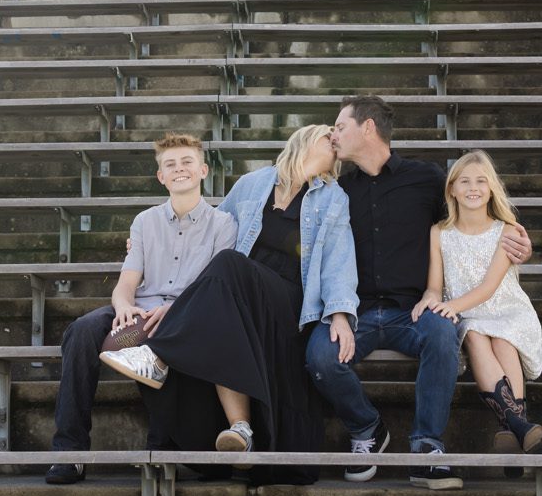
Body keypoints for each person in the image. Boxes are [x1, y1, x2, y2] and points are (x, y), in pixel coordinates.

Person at [306, 94, 531, 488]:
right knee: (319, 356)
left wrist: (514, 244)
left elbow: (468, 224)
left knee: (444, 333)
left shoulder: (425, 179)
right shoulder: (338, 191)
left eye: (340, 126)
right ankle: (368, 430)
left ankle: (427, 447)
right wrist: (337, 311)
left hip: (412, 310)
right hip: (354, 313)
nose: (333, 134)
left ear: (368, 128)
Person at [101, 123, 358, 457]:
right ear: (306, 142)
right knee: (227, 266)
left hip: (290, 301)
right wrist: (141, 245)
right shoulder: (254, 184)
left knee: (229, 263)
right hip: (243, 294)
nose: (336, 144)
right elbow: (212, 226)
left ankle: (158, 355)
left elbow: (340, 259)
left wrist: (339, 314)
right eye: (329, 138)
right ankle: (240, 429)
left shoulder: (332, 197)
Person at [46, 132, 235, 485]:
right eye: (170, 165)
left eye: (187, 162)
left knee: (162, 337)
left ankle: (160, 448)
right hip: (141, 310)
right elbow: (127, 282)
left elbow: (214, 286)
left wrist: (179, 307)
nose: (180, 170)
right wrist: (122, 307)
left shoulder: (223, 225)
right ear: (160, 176)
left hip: (189, 314)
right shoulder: (145, 222)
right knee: (83, 331)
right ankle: (70, 452)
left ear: (203, 170)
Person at [414, 150, 542, 453]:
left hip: (505, 309)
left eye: (480, 181)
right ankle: (519, 428)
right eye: (464, 181)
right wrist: (430, 299)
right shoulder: (440, 233)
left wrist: (451, 307)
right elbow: (435, 286)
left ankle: (514, 427)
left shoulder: (508, 231)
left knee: (503, 341)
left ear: (491, 189)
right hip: (470, 315)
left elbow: (489, 287)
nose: (472, 188)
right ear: (451, 189)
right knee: (473, 333)